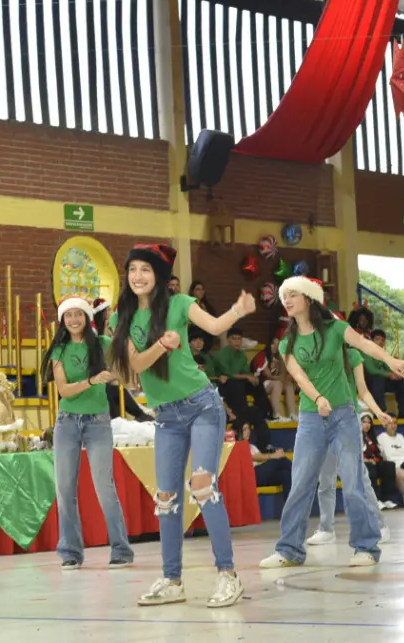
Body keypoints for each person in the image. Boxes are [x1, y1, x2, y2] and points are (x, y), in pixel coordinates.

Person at [109, 244, 254, 608]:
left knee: (203, 486)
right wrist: (163, 344)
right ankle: (172, 580)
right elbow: (137, 366)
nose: (138, 276)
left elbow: (216, 325)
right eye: (132, 270)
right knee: (166, 497)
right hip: (166, 417)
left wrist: (239, 309)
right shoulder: (120, 317)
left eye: (145, 269)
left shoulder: (179, 303)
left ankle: (228, 575)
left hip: (202, 406)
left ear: (158, 274)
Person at [258, 276, 404, 569]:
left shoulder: (336, 329)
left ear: (309, 300)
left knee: (353, 483)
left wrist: (389, 359)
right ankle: (289, 550)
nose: (286, 300)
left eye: (293, 295)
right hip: (312, 419)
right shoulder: (288, 341)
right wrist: (318, 398)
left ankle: (366, 548)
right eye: (284, 296)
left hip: (343, 417)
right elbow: (298, 377)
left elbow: (363, 344)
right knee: (300, 483)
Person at [41, 295, 134, 570]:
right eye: (67, 316)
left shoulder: (103, 345)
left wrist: (115, 373)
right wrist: (93, 379)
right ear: (62, 320)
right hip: (67, 422)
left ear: (86, 317)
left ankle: (121, 549)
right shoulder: (59, 349)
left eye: (77, 314)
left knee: (104, 486)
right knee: (65, 487)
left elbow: (124, 374)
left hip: (97, 422)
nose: (73, 320)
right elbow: (64, 391)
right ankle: (70, 552)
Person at [308, 345, 394, 546]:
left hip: (347, 419)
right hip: (321, 419)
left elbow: (362, 390)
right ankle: (326, 528)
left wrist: (378, 411)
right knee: (325, 477)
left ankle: (380, 525)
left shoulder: (353, 355)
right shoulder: (316, 353)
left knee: (358, 476)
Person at [211, 327, 273, 420]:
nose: (237, 342)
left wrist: (252, 378)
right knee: (236, 385)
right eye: (234, 338)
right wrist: (247, 376)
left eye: (239, 339)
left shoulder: (241, 355)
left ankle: (264, 413)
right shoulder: (221, 354)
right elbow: (229, 374)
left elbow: (246, 372)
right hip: (223, 384)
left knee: (257, 383)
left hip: (237, 381)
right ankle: (243, 415)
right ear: (228, 340)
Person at [362, 329, 404, 418]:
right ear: (371, 341)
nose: (380, 342)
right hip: (367, 383)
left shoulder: (383, 354)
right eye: (377, 339)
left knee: (400, 380)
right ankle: (381, 411)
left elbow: (388, 368)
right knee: (378, 377)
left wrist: (396, 372)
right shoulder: (366, 352)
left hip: (379, 384)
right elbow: (371, 370)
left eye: (382, 340)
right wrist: (389, 375)